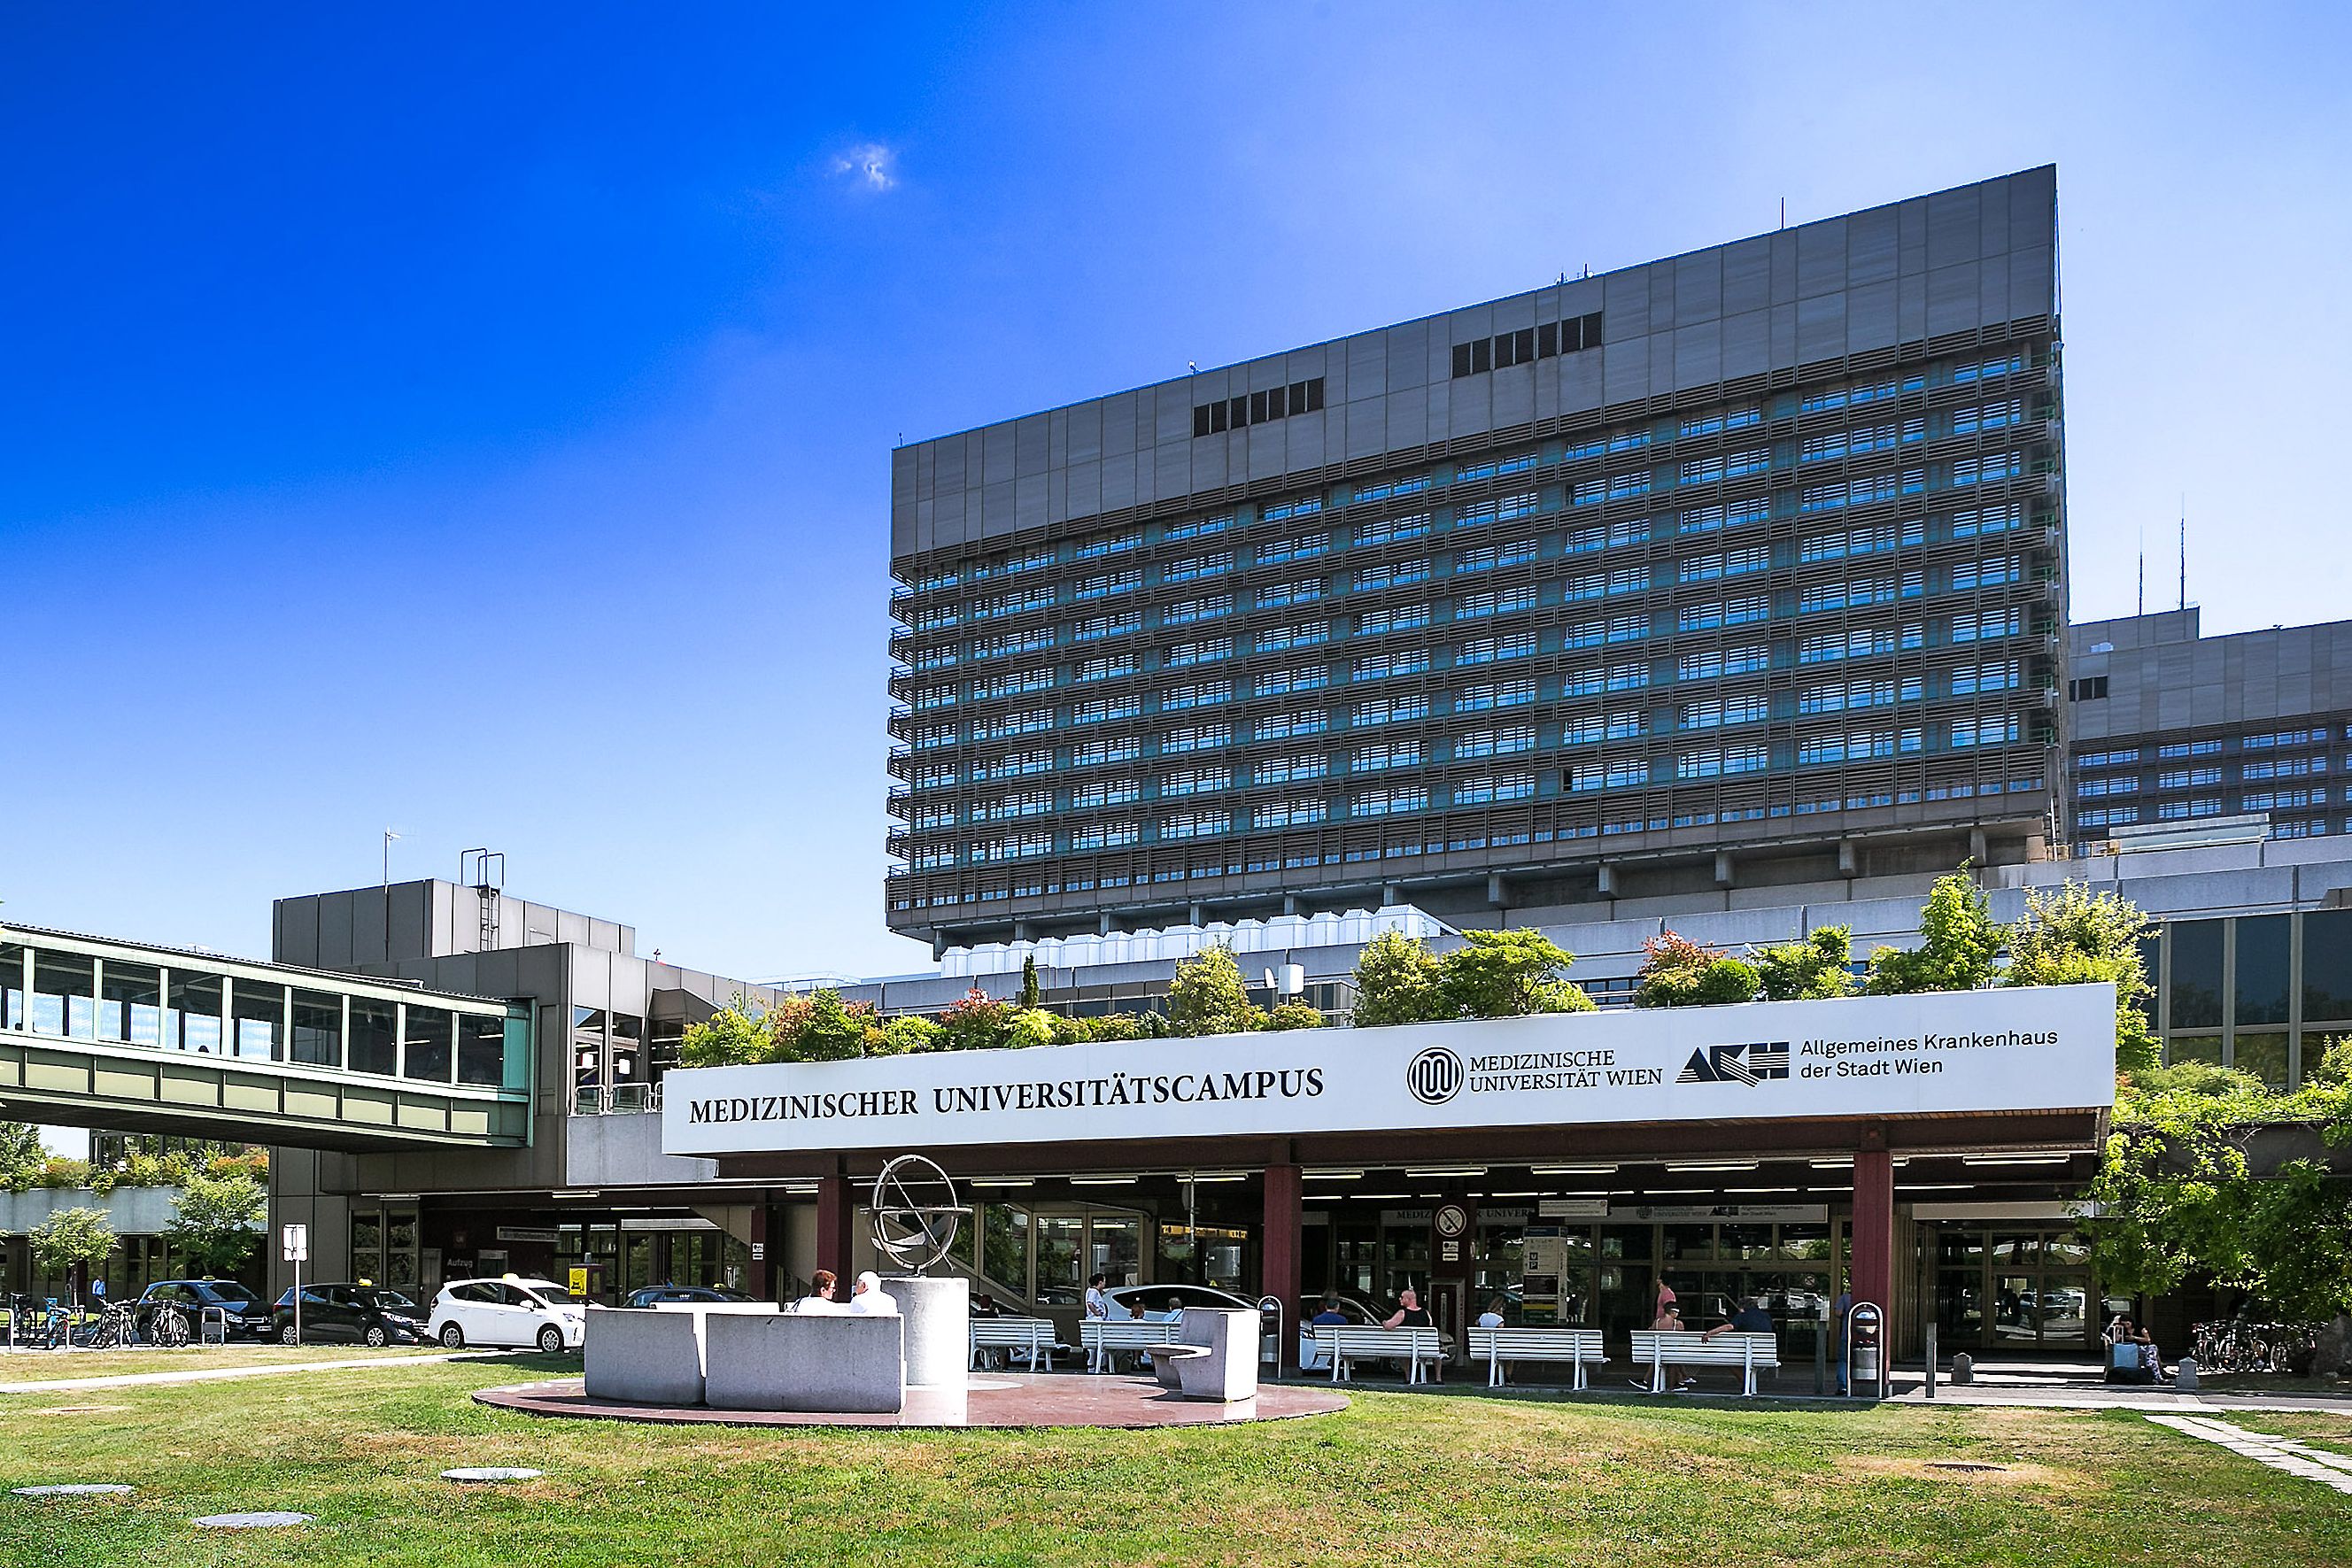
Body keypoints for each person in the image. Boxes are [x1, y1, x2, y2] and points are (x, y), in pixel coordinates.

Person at [1382, 1286, 1443, 1384]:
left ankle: (1408, 1377)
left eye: (1402, 1297)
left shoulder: (1402, 1313)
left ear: (1408, 1299)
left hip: (1408, 1348)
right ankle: (1438, 1378)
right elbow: (1430, 1326)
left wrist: (1384, 1322)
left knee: (1405, 1353)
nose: (1399, 1299)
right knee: (1437, 1352)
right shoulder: (1426, 1313)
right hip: (1427, 1348)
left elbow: (1388, 1326)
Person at [1301, 1292, 1348, 1371]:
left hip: (1321, 1346)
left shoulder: (1316, 1319)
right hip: (1338, 1347)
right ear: (1337, 1307)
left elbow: (1313, 1333)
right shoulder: (1342, 1320)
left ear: (1326, 1307)